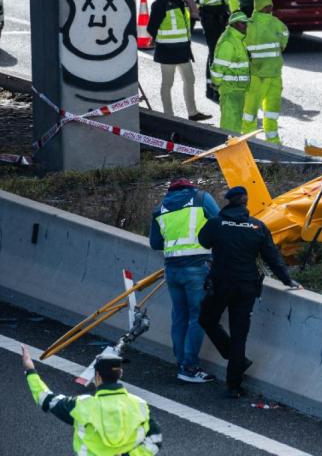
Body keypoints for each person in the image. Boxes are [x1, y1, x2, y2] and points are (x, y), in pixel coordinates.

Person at [198, 186, 302, 398]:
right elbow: (272, 258)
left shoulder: (217, 223)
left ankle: (231, 354)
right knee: (239, 335)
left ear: (228, 202)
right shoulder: (258, 227)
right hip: (246, 287)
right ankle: (234, 385)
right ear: (245, 204)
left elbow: (203, 241)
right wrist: (287, 280)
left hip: (220, 284)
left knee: (207, 320)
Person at [22, 347, 163, 455]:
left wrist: (30, 370)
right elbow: (155, 440)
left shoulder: (81, 405)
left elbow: (45, 398)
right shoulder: (140, 405)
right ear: (120, 374)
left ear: (97, 377)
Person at [149, 177, 220, 383]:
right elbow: (220, 222)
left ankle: (181, 362)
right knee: (197, 317)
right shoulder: (201, 198)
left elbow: (155, 243)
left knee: (179, 316)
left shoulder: (160, 207)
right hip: (197, 267)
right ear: (190, 187)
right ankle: (189, 367)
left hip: (172, 269)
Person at [147, 0, 210, 122]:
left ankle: (192, 113)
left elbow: (193, 16)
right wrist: (160, 41)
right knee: (167, 84)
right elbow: (151, 28)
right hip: (167, 52)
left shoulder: (182, 1)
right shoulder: (160, 4)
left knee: (190, 79)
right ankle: (169, 116)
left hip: (182, 50)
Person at [241, 0, 289, 144]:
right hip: (273, 75)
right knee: (271, 112)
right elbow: (283, 43)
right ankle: (272, 141)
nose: (270, 8)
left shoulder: (248, 25)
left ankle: (249, 141)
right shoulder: (278, 24)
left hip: (257, 76)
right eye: (268, 6)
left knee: (251, 112)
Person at [190, 0, 237, 102]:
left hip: (221, 16)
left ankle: (217, 86)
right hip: (210, 17)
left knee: (221, 52)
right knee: (215, 52)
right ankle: (211, 89)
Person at [211, 12, 251, 132]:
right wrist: (217, 83)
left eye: (246, 23)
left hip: (238, 90)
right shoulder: (229, 42)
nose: (246, 26)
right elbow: (219, 67)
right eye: (243, 23)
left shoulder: (238, 38)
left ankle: (233, 150)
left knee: (236, 125)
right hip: (230, 90)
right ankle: (227, 150)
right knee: (229, 127)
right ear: (234, 24)